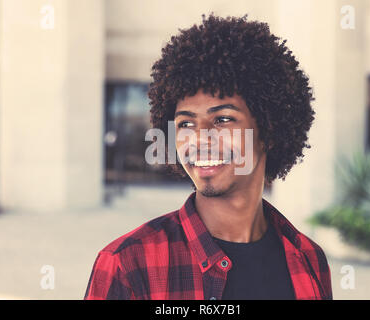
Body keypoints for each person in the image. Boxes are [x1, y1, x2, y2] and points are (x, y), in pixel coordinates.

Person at [85, 13, 332, 300]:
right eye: (186, 124)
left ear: (269, 131)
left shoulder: (309, 259)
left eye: (223, 119)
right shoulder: (127, 265)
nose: (200, 139)